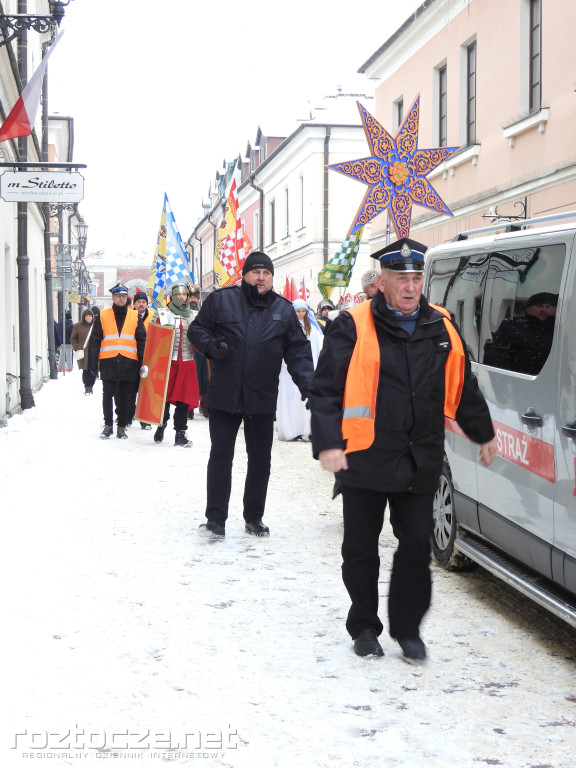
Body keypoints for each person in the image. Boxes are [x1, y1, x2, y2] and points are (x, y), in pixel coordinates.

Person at [309, 237, 496, 663]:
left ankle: (408, 628)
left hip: (419, 457)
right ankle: (364, 626)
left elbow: (462, 386)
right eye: (401, 278)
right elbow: (325, 391)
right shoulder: (353, 325)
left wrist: (482, 432)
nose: (410, 287)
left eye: (416, 278)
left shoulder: (442, 326)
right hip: (364, 458)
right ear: (383, 281)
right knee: (360, 548)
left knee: (415, 544)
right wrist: (329, 444)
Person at [188, 250, 314, 539]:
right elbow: (197, 330)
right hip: (224, 394)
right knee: (221, 456)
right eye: (256, 272)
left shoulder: (283, 310)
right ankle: (216, 519)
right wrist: (211, 345)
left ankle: (254, 517)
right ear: (245, 275)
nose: (261, 277)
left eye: (266, 273)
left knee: (260, 460)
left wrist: (310, 386)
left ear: (272, 278)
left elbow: (297, 351)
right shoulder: (221, 300)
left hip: (261, 397)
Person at [88, 283, 146, 439]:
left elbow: (142, 341)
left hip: (129, 362)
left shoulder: (135, 316)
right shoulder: (103, 315)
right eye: (118, 296)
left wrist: (142, 363)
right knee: (107, 395)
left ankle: (121, 426)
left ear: (127, 298)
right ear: (113, 298)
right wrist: (92, 365)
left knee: (126, 397)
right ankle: (108, 425)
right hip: (108, 362)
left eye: (124, 296)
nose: (121, 298)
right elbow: (95, 340)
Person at [151, 282, 199, 447]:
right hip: (167, 362)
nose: (181, 297)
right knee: (163, 397)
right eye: (178, 294)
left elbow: (200, 337)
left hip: (187, 362)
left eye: (184, 294)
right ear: (172, 296)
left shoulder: (193, 315)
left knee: (183, 399)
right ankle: (161, 424)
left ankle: (180, 433)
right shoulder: (162, 314)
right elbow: (153, 339)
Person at [277, 299, 324, 441]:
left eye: (304, 311)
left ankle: (309, 430)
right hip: (290, 370)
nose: (301, 314)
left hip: (309, 369)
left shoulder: (314, 329)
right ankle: (292, 431)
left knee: (307, 401)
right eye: (298, 311)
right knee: (292, 401)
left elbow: (320, 347)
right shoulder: (287, 327)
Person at [483, 292, 558, 375]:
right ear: (529, 308)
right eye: (539, 306)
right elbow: (496, 360)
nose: (544, 309)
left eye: (548, 306)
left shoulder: (561, 332)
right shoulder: (511, 328)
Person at [128, 291, 154, 429]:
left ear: (147, 303)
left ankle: (145, 419)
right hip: (132, 357)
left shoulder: (154, 316)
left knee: (146, 390)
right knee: (130, 389)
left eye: (144, 301)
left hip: (149, 358)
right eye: (138, 302)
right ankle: (128, 416)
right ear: (134, 304)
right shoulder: (129, 317)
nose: (141, 304)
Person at [70, 309, 97, 394]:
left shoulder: (97, 325)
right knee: (85, 370)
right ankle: (87, 387)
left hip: (94, 351)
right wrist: (76, 347)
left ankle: (91, 385)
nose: (89, 318)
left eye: (90, 316)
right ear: (84, 317)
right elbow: (73, 338)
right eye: (87, 316)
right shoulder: (78, 326)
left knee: (94, 370)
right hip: (83, 351)